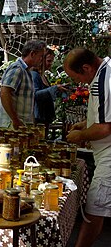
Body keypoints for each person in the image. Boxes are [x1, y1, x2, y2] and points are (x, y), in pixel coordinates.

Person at [64, 48, 111, 247]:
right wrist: (86, 123)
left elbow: (104, 127)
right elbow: (104, 116)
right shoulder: (103, 73)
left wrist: (81, 135)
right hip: (104, 152)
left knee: (95, 205)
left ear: (86, 67)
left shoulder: (104, 80)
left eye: (78, 78)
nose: (79, 83)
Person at [0, 39, 46, 130]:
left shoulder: (26, 71)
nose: (41, 60)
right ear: (32, 54)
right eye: (41, 56)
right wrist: (15, 120)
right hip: (12, 126)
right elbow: (4, 93)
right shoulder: (17, 69)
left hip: (20, 125)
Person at [31, 48, 67, 136]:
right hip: (38, 118)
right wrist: (54, 88)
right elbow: (35, 95)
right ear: (41, 60)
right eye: (49, 61)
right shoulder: (35, 75)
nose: (51, 64)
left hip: (44, 117)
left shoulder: (42, 75)